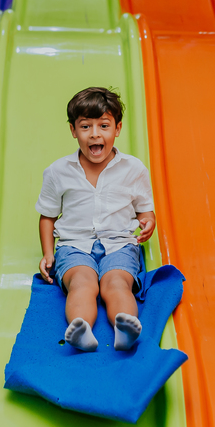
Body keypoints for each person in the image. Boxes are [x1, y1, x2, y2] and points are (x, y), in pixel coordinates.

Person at [36, 87, 156, 352]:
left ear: (117, 128)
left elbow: (145, 211)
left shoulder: (134, 169)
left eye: (103, 125)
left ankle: (125, 328)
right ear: (73, 130)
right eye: (85, 126)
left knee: (116, 283)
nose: (94, 134)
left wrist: (148, 223)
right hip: (74, 245)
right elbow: (48, 216)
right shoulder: (58, 171)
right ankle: (81, 329)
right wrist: (48, 253)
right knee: (82, 283)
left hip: (120, 243)